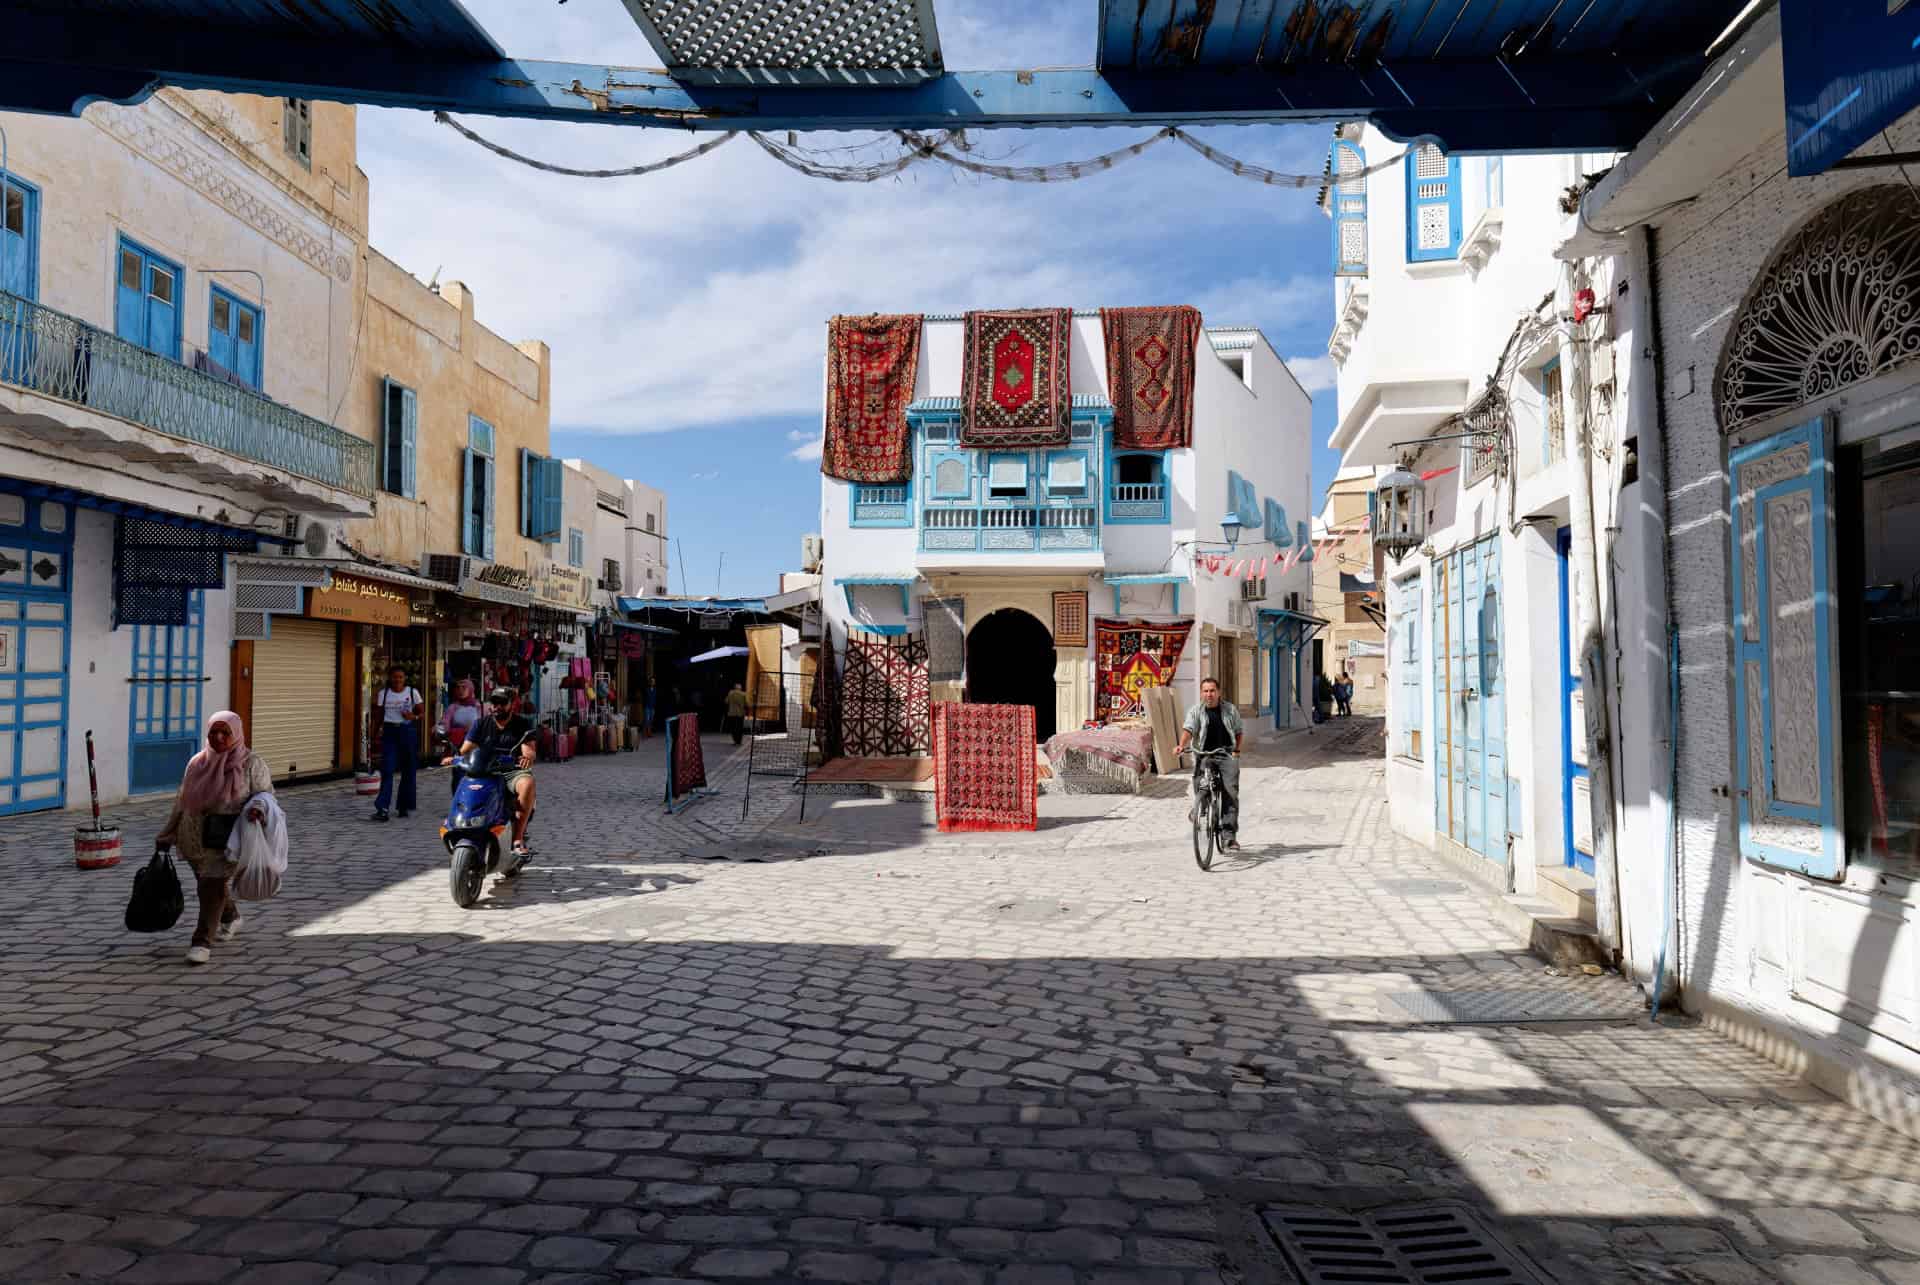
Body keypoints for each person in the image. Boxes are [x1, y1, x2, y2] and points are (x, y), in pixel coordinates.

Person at [157, 712, 274, 966]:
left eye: (225, 732)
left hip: (226, 838)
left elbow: (265, 796)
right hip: (193, 838)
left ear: (237, 734)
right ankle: (230, 917)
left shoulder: (251, 763)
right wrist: (168, 832)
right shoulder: (197, 762)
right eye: (214, 732)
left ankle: (201, 941)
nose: (219, 737)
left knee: (210, 886)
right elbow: (182, 800)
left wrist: (258, 810)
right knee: (208, 883)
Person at [447, 687, 538, 860]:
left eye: (502, 703)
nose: (497, 706)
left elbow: (529, 750)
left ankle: (517, 839)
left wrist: (527, 757)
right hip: (483, 770)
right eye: (494, 702)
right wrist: (454, 757)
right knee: (463, 780)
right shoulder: (480, 723)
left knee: (527, 783)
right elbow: (466, 749)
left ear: (512, 704)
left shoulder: (522, 724)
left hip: (511, 771)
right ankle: (458, 824)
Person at [1175, 677, 1244, 851]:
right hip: (1204, 754)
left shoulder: (1230, 710)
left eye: (1212, 690)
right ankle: (1200, 808)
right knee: (1200, 783)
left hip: (1226, 753)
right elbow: (1188, 729)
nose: (1209, 694)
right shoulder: (1196, 711)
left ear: (1218, 692)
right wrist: (1181, 746)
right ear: (1201, 693)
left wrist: (1237, 750)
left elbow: (1238, 731)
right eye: (1205, 691)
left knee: (1230, 791)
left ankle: (1228, 836)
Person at [371, 665, 423, 822]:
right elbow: (379, 716)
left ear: (405, 678)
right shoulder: (383, 694)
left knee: (408, 770)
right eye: (395, 677)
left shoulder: (412, 693)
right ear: (390, 678)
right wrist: (373, 736)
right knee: (387, 769)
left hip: (407, 731)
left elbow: (422, 712)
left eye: (400, 677)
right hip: (390, 732)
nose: (397, 680)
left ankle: (403, 806)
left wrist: (412, 716)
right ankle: (383, 808)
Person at [438, 678, 483, 797]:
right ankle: (458, 802)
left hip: (477, 747)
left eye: (464, 687)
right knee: (459, 776)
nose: (460, 690)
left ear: (471, 689)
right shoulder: (453, 708)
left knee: (476, 775)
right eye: (458, 687)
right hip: (458, 747)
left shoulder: (480, 706)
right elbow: (445, 726)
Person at [724, 682, 750, 746]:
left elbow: (726, 701)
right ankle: (739, 741)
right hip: (740, 713)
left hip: (732, 713)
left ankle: (735, 741)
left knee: (733, 727)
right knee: (740, 727)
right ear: (740, 688)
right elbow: (747, 704)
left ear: (734, 687)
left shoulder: (730, 693)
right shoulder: (743, 694)